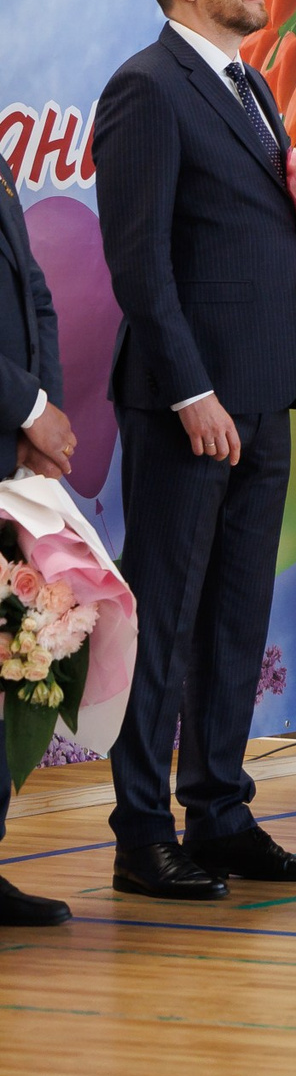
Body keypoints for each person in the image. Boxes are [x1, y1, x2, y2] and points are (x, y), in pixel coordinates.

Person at [95, 0, 296, 900]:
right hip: (193, 404)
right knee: (165, 621)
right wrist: (191, 390)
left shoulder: (254, 84)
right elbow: (140, 263)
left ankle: (219, 812)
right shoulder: (147, 88)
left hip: (265, 392)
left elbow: (263, 228)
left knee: (233, 619)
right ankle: (142, 833)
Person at [0, 103, 75, 925]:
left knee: (12, 658)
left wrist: (42, 416)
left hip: (11, 451)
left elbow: (36, 295)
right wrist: (27, 406)